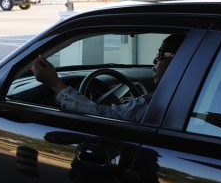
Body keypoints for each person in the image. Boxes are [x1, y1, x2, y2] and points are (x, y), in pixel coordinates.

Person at [32, 33, 185, 123]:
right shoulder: (187, 97)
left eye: (161, 54)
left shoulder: (160, 103)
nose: (155, 61)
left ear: (181, 60)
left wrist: (55, 83)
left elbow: (102, 117)